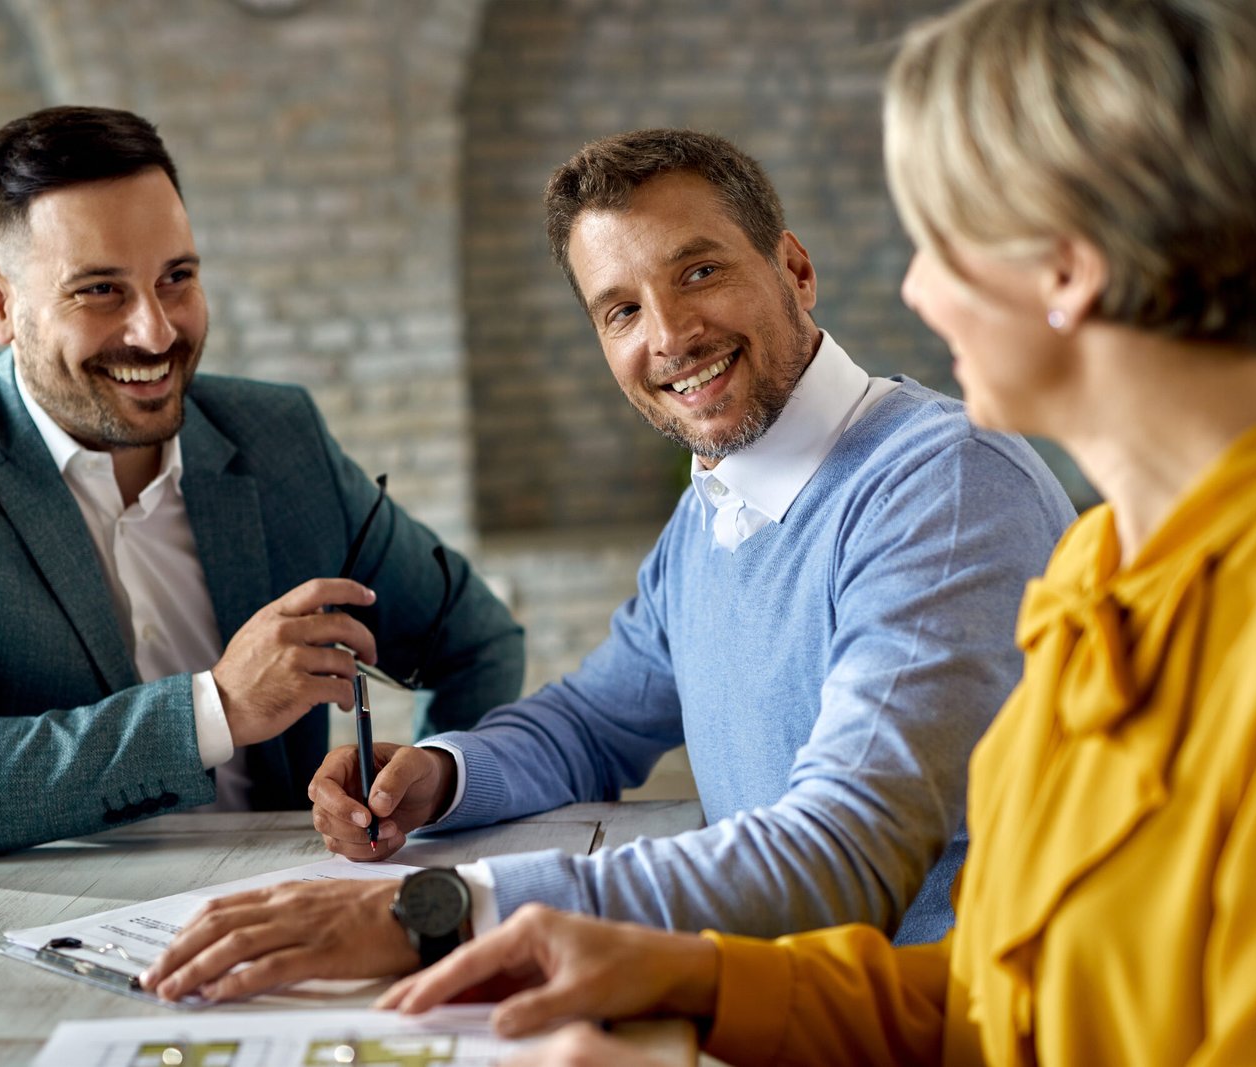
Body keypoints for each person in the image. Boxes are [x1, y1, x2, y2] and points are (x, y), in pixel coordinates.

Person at [376, 0, 1256, 1063]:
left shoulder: (1214, 603)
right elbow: (1010, 998)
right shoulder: (1102, 567)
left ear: (1064, 267)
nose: (912, 286)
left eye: (938, 238)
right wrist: (700, 978)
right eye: (620, 309)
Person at [136, 128, 1076, 1003]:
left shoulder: (941, 487)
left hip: (953, 1025)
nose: (669, 337)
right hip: (787, 1009)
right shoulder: (719, 500)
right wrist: (437, 773)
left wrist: (442, 912)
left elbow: (839, 853)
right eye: (622, 309)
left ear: (794, 268)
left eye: (699, 271)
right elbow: (593, 723)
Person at [0, 106, 524, 865]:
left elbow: (474, 641)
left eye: (176, 278)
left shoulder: (281, 439)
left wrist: (432, 792)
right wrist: (214, 710)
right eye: (100, 291)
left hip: (294, 912)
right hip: (34, 937)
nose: (155, 332)